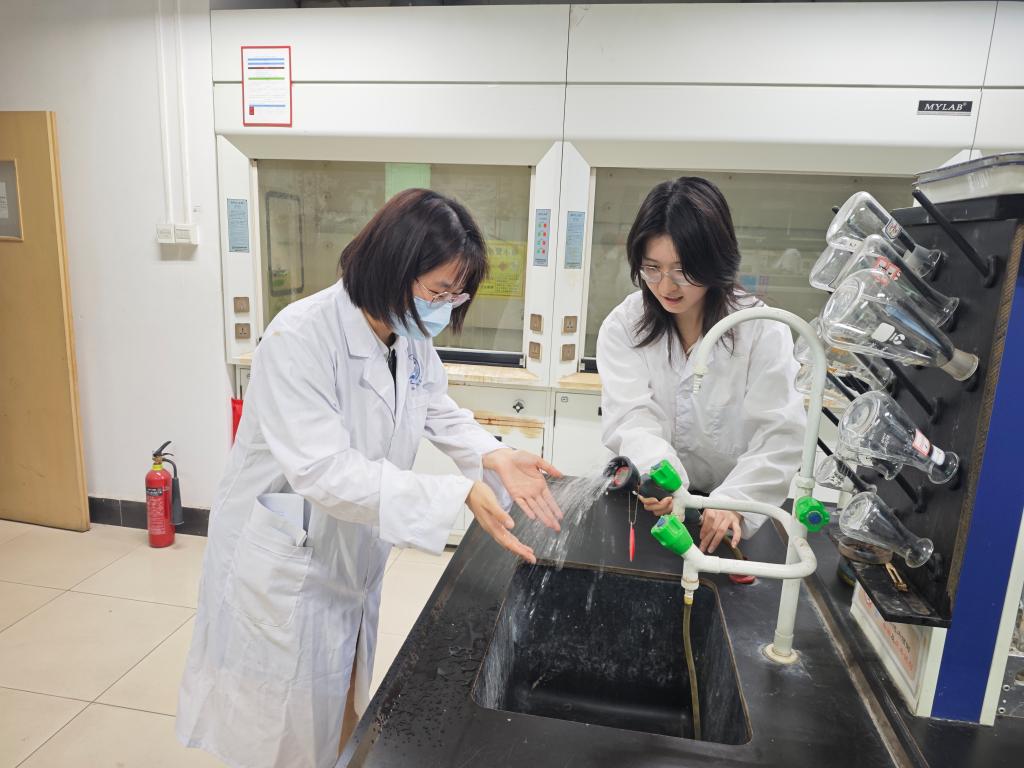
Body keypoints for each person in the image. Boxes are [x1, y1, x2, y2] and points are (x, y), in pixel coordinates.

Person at [177, 189, 563, 768]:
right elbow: (323, 470)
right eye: (437, 291)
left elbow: (434, 407)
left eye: (455, 295)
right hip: (288, 561)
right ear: (391, 268)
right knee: (283, 729)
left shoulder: (407, 337)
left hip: (347, 554)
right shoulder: (299, 337)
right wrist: (455, 491)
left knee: (338, 706)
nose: (445, 307)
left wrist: (495, 453)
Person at [597, 177, 805, 555]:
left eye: (683, 270)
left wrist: (734, 501)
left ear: (714, 261)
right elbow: (632, 419)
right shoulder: (624, 325)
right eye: (652, 268)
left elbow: (779, 433)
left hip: (730, 508)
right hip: (655, 503)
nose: (666, 286)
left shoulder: (760, 328)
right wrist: (663, 481)